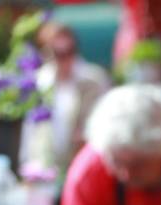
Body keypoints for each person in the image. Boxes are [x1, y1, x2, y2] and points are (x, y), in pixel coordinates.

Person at [22, 22, 111, 174]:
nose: (65, 59)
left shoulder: (95, 79)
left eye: (69, 51)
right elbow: (30, 132)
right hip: (46, 171)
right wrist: (27, 165)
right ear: (45, 52)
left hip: (84, 168)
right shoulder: (38, 83)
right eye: (58, 53)